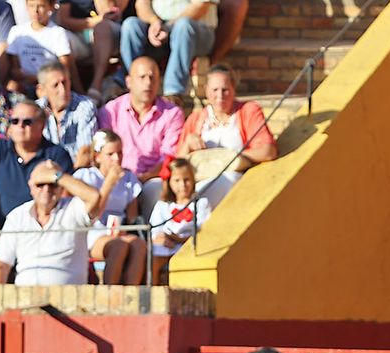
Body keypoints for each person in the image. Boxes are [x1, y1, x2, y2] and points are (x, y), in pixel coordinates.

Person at [0, 97, 72, 278]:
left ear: (42, 125)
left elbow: (67, 193)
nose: (20, 126)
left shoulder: (56, 155)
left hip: (44, 231)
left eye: (27, 122)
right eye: (15, 121)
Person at [0, 156, 106, 284]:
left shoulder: (74, 208)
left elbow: (94, 196)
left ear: (61, 188)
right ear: (31, 187)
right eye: (40, 184)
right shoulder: (16, 216)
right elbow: (1, 264)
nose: (46, 189)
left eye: (52, 184)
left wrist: (57, 175)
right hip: (25, 300)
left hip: (69, 300)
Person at [174, 63, 272, 205]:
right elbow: (176, 165)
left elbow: (268, 151)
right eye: (215, 90)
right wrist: (188, 143)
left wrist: (231, 157)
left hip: (234, 178)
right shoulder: (196, 119)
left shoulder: (248, 111)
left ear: (234, 89)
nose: (220, 95)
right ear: (206, 90)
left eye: (225, 89)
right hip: (198, 180)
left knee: (214, 186)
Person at [74, 127, 142, 283]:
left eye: (119, 153)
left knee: (139, 245)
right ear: (98, 157)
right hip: (92, 231)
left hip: (118, 231)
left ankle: (132, 296)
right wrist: (109, 183)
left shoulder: (128, 178)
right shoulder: (85, 176)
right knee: (119, 246)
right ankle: (109, 294)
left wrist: (127, 229)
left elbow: (133, 216)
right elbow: (93, 213)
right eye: (110, 154)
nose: (117, 159)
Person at [99, 55, 181, 179]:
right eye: (142, 77)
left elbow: (168, 157)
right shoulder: (110, 112)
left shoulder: (172, 114)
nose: (148, 82)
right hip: (117, 178)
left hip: (155, 180)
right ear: (129, 82)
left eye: (153, 78)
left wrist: (144, 178)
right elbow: (104, 153)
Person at [120, 0, 216, 100]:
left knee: (183, 26)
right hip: (160, 27)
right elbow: (141, 4)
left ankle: (173, 94)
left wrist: (169, 26)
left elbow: (201, 6)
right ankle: (128, 86)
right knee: (130, 25)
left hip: (197, 31)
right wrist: (155, 22)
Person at [145, 154, 203, 277]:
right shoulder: (163, 206)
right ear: (169, 182)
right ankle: (153, 291)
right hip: (167, 246)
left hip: (189, 247)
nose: (182, 185)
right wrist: (162, 239)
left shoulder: (201, 204)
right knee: (153, 258)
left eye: (186, 180)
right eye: (177, 180)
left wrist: (177, 239)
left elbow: (203, 231)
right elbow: (155, 232)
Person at [56, 0, 122, 102]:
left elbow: (111, 13)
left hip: (109, 33)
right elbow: (63, 20)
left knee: (102, 28)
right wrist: (94, 21)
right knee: (61, 38)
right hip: (79, 35)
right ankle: (78, 90)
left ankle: (96, 85)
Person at [36, 58, 95, 167]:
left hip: (76, 173)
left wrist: (65, 180)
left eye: (65, 82)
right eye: (55, 85)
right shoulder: (36, 110)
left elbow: (85, 152)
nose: (62, 90)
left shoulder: (84, 107)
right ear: (42, 89)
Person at [5, 0, 75, 91]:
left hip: (49, 85)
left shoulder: (58, 33)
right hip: (25, 84)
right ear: (26, 6)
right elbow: (15, 68)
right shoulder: (16, 31)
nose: (36, 10)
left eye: (41, 6)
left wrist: (41, 80)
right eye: (32, 6)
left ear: (51, 7)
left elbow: (64, 67)